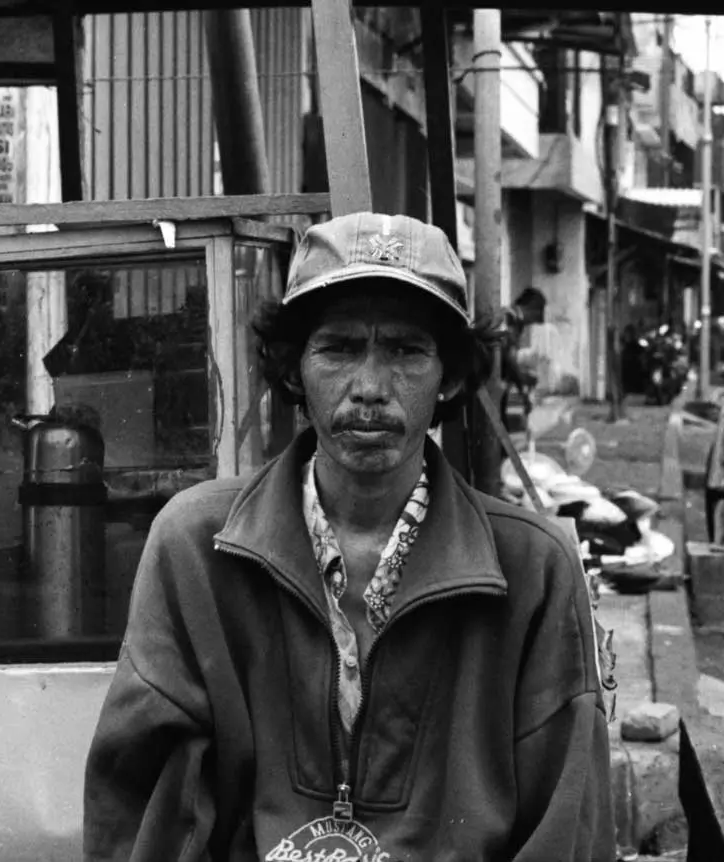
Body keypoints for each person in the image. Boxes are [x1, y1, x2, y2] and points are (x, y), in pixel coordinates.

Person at [83, 213, 614, 861]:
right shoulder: (196, 548)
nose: (369, 388)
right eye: (337, 348)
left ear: (449, 374)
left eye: (405, 350)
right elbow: (144, 815)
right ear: (293, 369)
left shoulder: (534, 569)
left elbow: (566, 831)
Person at [501, 286, 546, 415]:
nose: (540, 319)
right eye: (539, 312)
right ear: (532, 307)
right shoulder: (510, 318)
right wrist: (522, 383)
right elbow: (508, 358)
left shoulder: (516, 321)